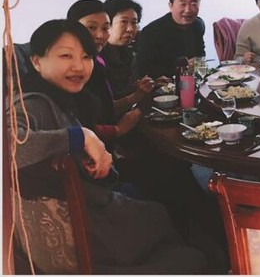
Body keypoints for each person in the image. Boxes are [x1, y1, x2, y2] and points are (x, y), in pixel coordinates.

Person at [13, 19, 205, 273]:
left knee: (163, 207)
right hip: (89, 230)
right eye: (66, 56)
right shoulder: (32, 103)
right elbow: (11, 146)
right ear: (36, 61)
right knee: (185, 246)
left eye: (86, 56)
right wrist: (80, 136)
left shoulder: (66, 99)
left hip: (92, 212)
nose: (79, 66)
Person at [67, 0, 141, 141]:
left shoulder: (97, 63)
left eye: (105, 28)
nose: (100, 35)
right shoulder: (68, 68)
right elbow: (74, 124)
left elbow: (104, 109)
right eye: (91, 27)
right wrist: (117, 130)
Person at [102, 0, 168, 101]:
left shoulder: (128, 53)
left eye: (134, 23)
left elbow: (129, 88)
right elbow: (107, 103)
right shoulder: (98, 58)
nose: (130, 29)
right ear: (107, 24)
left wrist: (151, 84)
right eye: (123, 22)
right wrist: (137, 94)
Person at [136, 0, 205, 79]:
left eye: (193, 4)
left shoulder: (198, 24)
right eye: (183, 4)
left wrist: (198, 64)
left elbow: (200, 55)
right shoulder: (151, 32)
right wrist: (181, 68)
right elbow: (145, 69)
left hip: (192, 81)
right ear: (171, 5)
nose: (188, 10)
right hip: (162, 83)